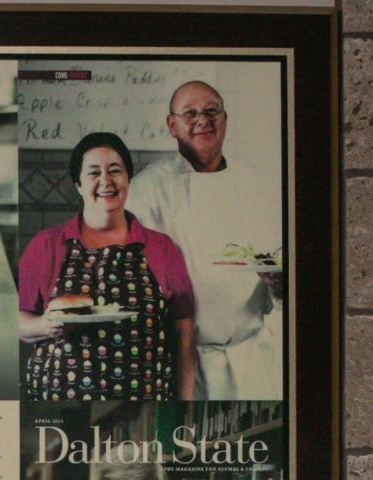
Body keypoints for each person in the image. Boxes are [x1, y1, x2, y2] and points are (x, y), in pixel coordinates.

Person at [125, 80, 284, 401]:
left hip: (251, 353)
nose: (203, 120)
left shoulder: (257, 183)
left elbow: (277, 256)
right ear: (172, 125)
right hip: (181, 358)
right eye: (190, 113)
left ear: (225, 120)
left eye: (212, 111)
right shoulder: (147, 188)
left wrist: (279, 283)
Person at [19, 132, 196, 402]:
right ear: (78, 184)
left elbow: (183, 333)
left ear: (127, 179)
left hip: (146, 401)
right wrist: (46, 325)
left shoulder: (162, 248)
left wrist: (185, 402)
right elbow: (18, 322)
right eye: (93, 173)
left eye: (115, 171)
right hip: (56, 401)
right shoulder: (46, 245)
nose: (106, 181)